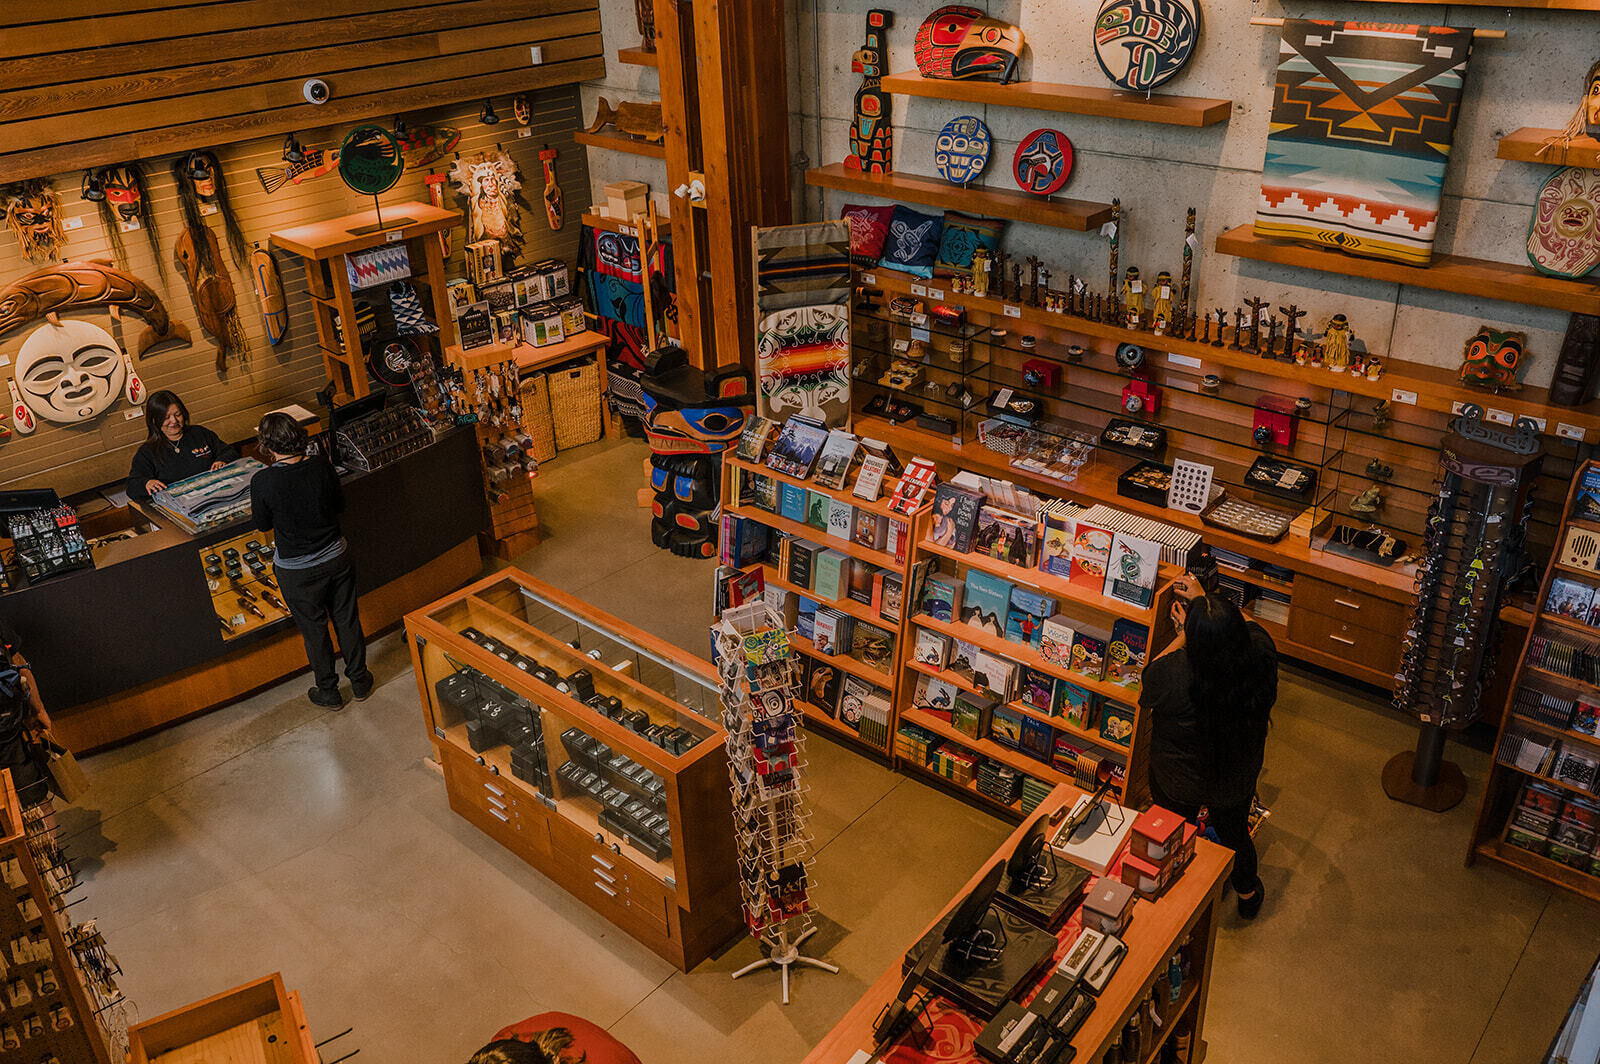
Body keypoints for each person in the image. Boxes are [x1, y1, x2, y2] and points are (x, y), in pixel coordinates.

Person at [1140, 574, 1277, 919]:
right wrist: (1209, 601)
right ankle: (1247, 894)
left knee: (1171, 835)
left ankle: (1174, 903)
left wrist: (1187, 630)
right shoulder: (1259, 656)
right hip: (1234, 773)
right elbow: (1251, 626)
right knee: (1234, 832)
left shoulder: (1172, 672)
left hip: (1177, 777)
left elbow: (1150, 673)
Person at [249, 413, 372, 709]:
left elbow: (263, 525)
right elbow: (339, 505)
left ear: (267, 445)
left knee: (314, 630)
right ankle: (359, 680)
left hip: (297, 570)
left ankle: (328, 692)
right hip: (336, 556)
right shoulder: (321, 466)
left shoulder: (262, 481)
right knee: (346, 618)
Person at [126, 390, 237, 502]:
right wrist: (146, 483)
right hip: (180, 505)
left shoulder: (200, 433)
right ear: (155, 421)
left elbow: (229, 451)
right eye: (166, 417)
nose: (174, 421)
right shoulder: (147, 452)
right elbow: (132, 487)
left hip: (217, 495)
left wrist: (222, 460)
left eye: (177, 414)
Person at [0, 622, 54, 810]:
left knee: (31, 795)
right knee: (32, 797)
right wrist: (38, 710)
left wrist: (38, 710)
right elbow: (19, 663)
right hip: (7, 729)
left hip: (7, 731)